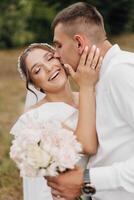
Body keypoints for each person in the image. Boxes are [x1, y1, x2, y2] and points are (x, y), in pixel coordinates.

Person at [45, 2, 134, 200]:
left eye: (58, 45)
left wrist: (87, 179)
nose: (55, 55)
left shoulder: (122, 73)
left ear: (78, 43)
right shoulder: (96, 80)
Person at [10, 43, 102, 200]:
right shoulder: (36, 119)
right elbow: (87, 146)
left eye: (50, 58)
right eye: (37, 70)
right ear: (35, 85)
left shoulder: (91, 96)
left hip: (100, 186)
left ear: (60, 60)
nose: (48, 68)